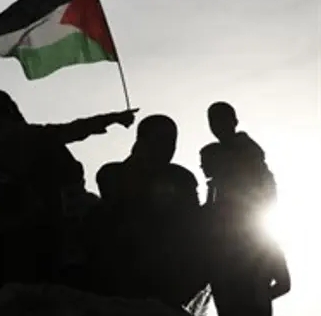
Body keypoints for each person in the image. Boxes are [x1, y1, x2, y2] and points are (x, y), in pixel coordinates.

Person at [0, 90, 136, 305]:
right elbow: (73, 130)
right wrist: (114, 118)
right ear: (11, 109)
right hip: (23, 238)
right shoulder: (27, 136)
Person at [90, 115, 206, 309]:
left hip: (170, 271)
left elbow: (193, 224)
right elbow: (119, 210)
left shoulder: (181, 178)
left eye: (172, 143)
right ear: (141, 141)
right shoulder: (112, 173)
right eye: (160, 141)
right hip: (123, 266)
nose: (168, 149)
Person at [200, 102, 290, 316]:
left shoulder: (246, 155)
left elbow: (260, 200)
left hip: (246, 244)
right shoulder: (222, 170)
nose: (216, 126)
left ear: (234, 121)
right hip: (228, 248)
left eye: (221, 119)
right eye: (212, 121)